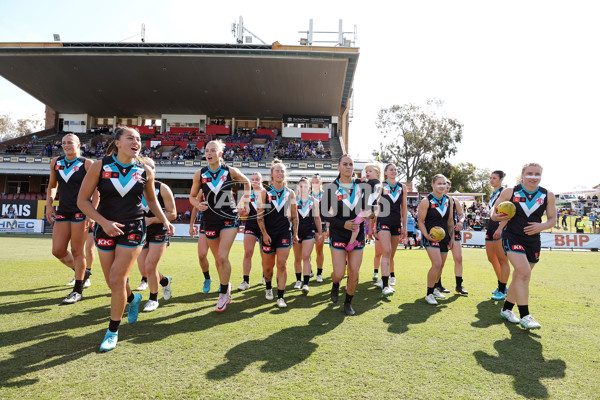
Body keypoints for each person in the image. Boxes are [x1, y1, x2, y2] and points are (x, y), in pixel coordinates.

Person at [77, 127, 175, 352]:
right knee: (113, 282)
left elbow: (152, 201)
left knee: (117, 278)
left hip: (133, 228)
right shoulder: (100, 166)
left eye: (139, 139)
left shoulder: (145, 171)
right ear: (118, 143)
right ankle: (132, 300)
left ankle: (112, 331)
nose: (136, 142)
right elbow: (83, 201)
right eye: (131, 138)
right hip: (105, 228)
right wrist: (103, 222)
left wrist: (164, 220)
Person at [493, 163, 556, 330]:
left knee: (519, 276)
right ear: (522, 175)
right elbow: (493, 213)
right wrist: (497, 216)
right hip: (512, 237)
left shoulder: (547, 195)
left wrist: (541, 226)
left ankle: (506, 310)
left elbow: (552, 220)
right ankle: (525, 315)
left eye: (537, 174)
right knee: (524, 273)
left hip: (533, 241)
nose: (533, 177)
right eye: (529, 173)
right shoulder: (510, 192)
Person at [189, 140, 250, 312]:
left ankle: (223, 293)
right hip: (209, 220)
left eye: (213, 150)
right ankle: (226, 284)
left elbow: (247, 182)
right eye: (207, 150)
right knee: (218, 259)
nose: (209, 153)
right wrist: (196, 204)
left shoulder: (229, 171)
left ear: (220, 154)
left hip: (229, 217)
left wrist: (244, 202)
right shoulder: (199, 174)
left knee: (222, 256)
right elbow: (192, 196)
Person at [46, 133, 94, 305]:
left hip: (81, 211)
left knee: (77, 250)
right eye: (64, 143)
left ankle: (77, 290)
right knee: (57, 251)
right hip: (63, 210)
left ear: (79, 145)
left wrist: (92, 213)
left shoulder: (87, 164)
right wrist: (49, 205)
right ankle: (82, 271)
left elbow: (97, 190)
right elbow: (52, 185)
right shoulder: (56, 162)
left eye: (70, 143)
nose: (66, 145)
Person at [321, 154, 367, 316]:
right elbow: (323, 213)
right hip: (338, 234)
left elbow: (371, 210)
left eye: (351, 164)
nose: (348, 167)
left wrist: (369, 214)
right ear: (338, 167)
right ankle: (335, 284)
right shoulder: (331, 188)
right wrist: (343, 224)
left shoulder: (362, 186)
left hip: (357, 236)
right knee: (339, 274)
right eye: (345, 164)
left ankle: (348, 302)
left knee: (354, 271)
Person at [136, 157, 177, 312]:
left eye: (151, 167)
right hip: (140, 231)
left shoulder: (163, 188)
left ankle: (153, 299)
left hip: (159, 230)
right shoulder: (133, 187)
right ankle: (165, 281)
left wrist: (152, 220)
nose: (148, 169)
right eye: (144, 166)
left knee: (150, 265)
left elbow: (172, 214)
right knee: (144, 269)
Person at [257, 160, 298, 308]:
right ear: (272, 174)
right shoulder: (265, 192)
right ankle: (268, 287)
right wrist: (264, 234)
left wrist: (295, 234)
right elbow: (259, 216)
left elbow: (294, 216)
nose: (280, 174)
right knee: (268, 269)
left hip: (284, 234)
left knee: (282, 264)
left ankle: (281, 297)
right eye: (277, 171)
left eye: (282, 171)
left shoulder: (290, 193)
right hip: (268, 235)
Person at [417, 174, 454, 305]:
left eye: (444, 183)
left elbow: (450, 221)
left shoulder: (449, 200)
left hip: (445, 237)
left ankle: (435, 289)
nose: (442, 186)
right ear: (432, 184)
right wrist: (426, 235)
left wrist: (452, 237)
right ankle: (429, 293)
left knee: (441, 266)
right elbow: (420, 221)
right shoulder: (426, 201)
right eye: (439, 183)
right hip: (431, 237)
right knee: (437, 264)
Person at [373, 163, 406, 297]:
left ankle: (383, 279)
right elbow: (376, 206)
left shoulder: (402, 187)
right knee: (386, 251)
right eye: (391, 169)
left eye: (396, 169)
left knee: (391, 255)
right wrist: (373, 225)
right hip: (383, 222)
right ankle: (386, 285)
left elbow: (404, 208)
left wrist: (404, 226)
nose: (394, 171)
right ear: (385, 173)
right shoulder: (380, 186)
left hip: (396, 223)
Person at [292, 177, 322, 294]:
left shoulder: (314, 201)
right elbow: (289, 218)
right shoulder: (293, 200)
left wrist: (319, 233)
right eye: (300, 186)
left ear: (309, 188)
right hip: (296, 233)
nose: (303, 188)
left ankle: (306, 284)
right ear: (298, 187)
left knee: (306, 257)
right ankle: (298, 280)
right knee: (297, 258)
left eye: (305, 186)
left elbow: (317, 218)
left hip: (309, 232)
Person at [485, 170, 511, 301]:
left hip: (500, 227)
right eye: (490, 178)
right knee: (491, 258)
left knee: (502, 259)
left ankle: (502, 289)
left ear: (501, 179)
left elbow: (508, 213)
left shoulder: (504, 192)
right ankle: (501, 284)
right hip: (491, 226)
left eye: (494, 178)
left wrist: (501, 227)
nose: (491, 180)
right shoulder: (492, 194)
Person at [237, 172, 265, 290]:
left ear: (262, 180)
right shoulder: (246, 195)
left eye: (257, 179)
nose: (254, 181)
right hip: (250, 226)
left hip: (265, 227)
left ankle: (265, 276)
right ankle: (245, 281)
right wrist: (242, 212)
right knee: (248, 252)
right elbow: (239, 210)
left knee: (264, 254)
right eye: (252, 179)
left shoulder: (267, 193)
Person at [445, 180, 468, 295]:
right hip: (440, 233)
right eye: (444, 185)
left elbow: (462, 214)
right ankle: (437, 285)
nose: (446, 188)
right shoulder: (432, 200)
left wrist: (460, 222)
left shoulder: (454, 201)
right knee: (439, 262)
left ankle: (459, 285)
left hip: (454, 232)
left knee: (458, 258)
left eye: (448, 187)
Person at [189, 202, 214, 293]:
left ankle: (224, 282)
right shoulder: (201, 190)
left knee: (220, 257)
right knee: (201, 255)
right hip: (206, 222)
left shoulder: (222, 188)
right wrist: (191, 225)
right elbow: (195, 207)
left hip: (220, 223)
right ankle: (207, 278)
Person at [310, 174, 327, 282]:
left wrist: (328, 227)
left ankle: (319, 273)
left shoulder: (325, 195)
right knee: (307, 251)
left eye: (317, 182)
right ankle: (309, 270)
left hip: (322, 225)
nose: (315, 184)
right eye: (313, 182)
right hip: (308, 225)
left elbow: (329, 212)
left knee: (319, 250)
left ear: (320, 183)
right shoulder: (307, 194)